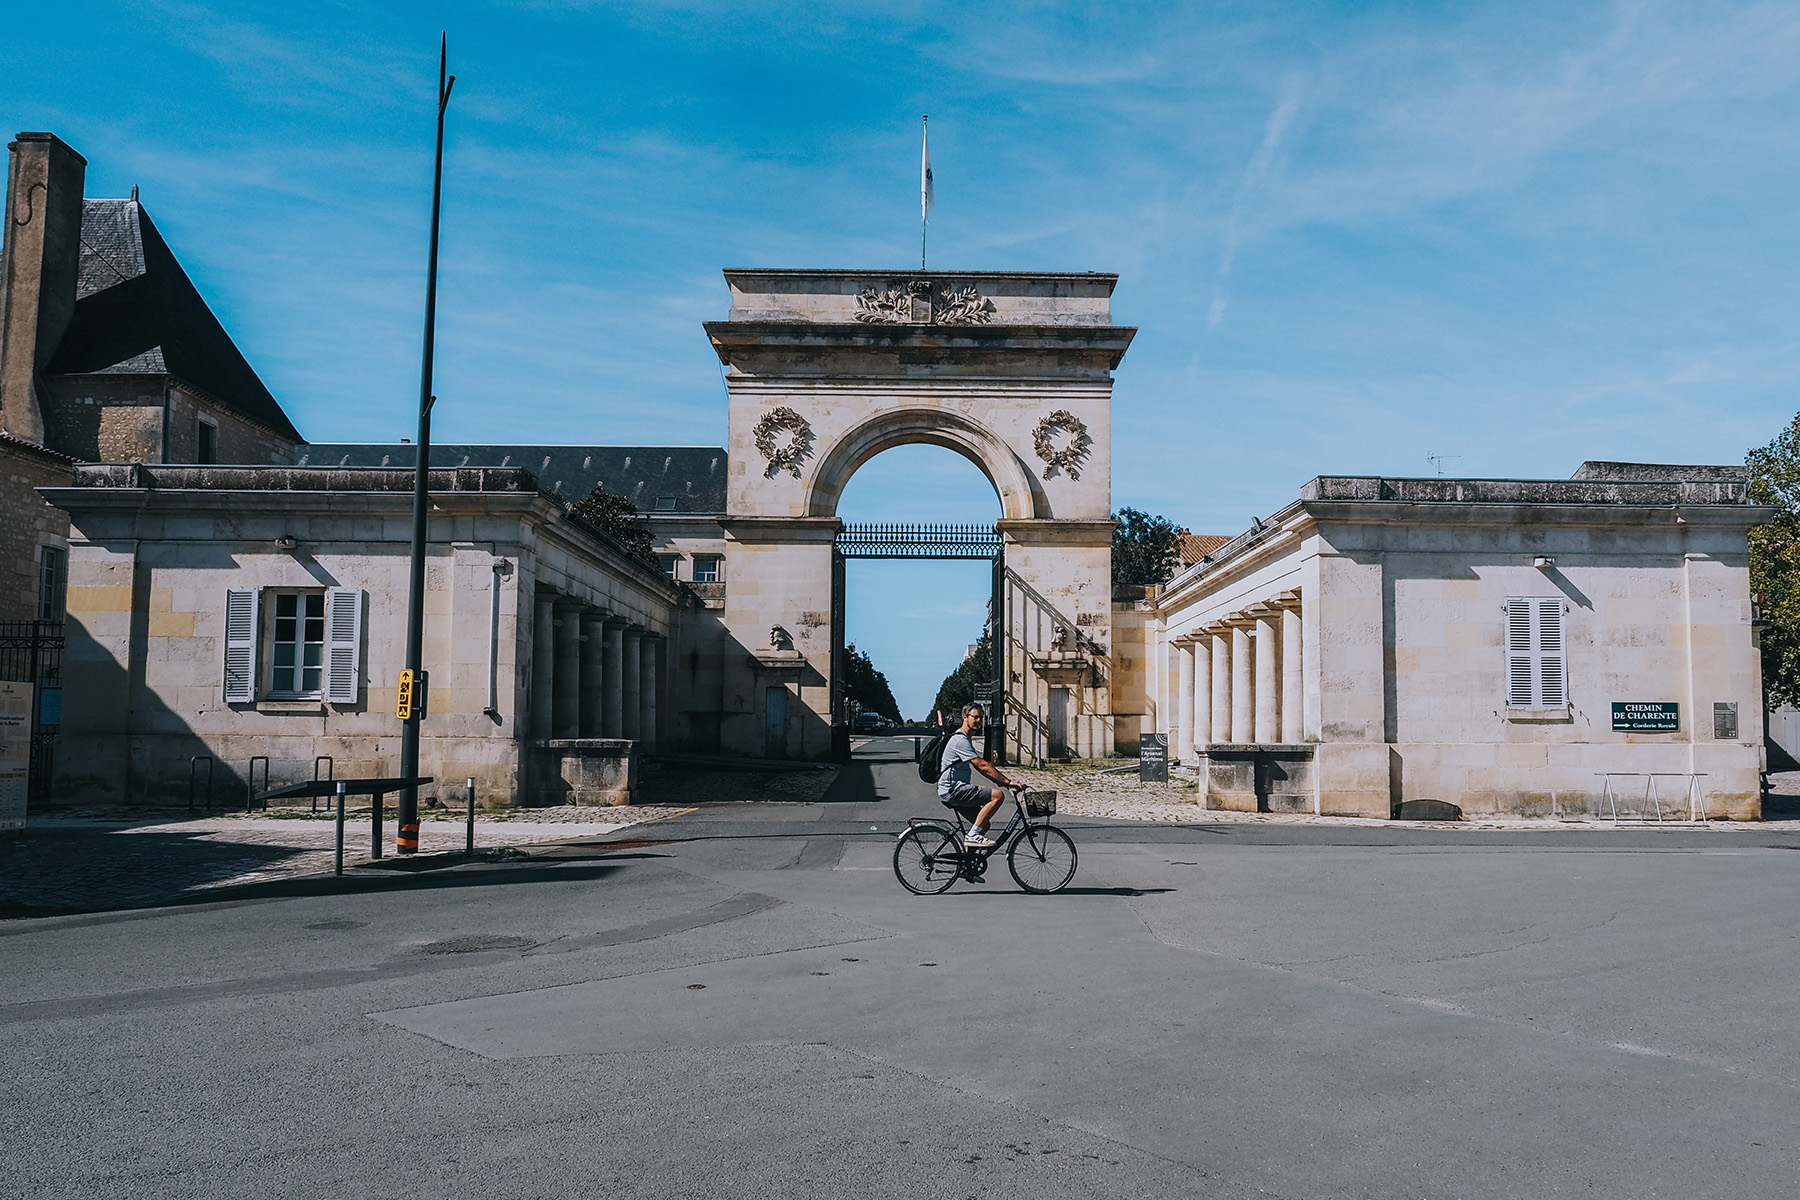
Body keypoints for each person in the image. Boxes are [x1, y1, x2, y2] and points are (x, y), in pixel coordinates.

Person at [936, 702, 1025, 848]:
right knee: (997, 796)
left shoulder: (965, 739)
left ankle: (967, 867)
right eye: (975, 717)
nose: (979, 721)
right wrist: (1007, 782)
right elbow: (982, 766)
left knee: (983, 825)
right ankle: (972, 836)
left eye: (981, 718)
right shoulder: (960, 740)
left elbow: (983, 768)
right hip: (953, 789)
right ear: (965, 717)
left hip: (952, 789)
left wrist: (1001, 781)